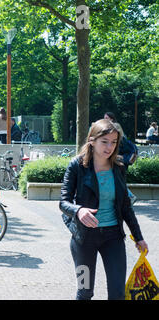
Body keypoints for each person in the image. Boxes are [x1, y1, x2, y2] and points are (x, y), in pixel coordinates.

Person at [60, 119, 148, 300]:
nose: (109, 147)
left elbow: (125, 206)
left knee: (117, 294)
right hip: (83, 239)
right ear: (92, 140)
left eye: (114, 142)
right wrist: (79, 211)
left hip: (113, 237)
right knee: (84, 291)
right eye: (104, 141)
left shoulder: (119, 167)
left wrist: (138, 237)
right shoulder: (76, 165)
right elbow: (63, 202)